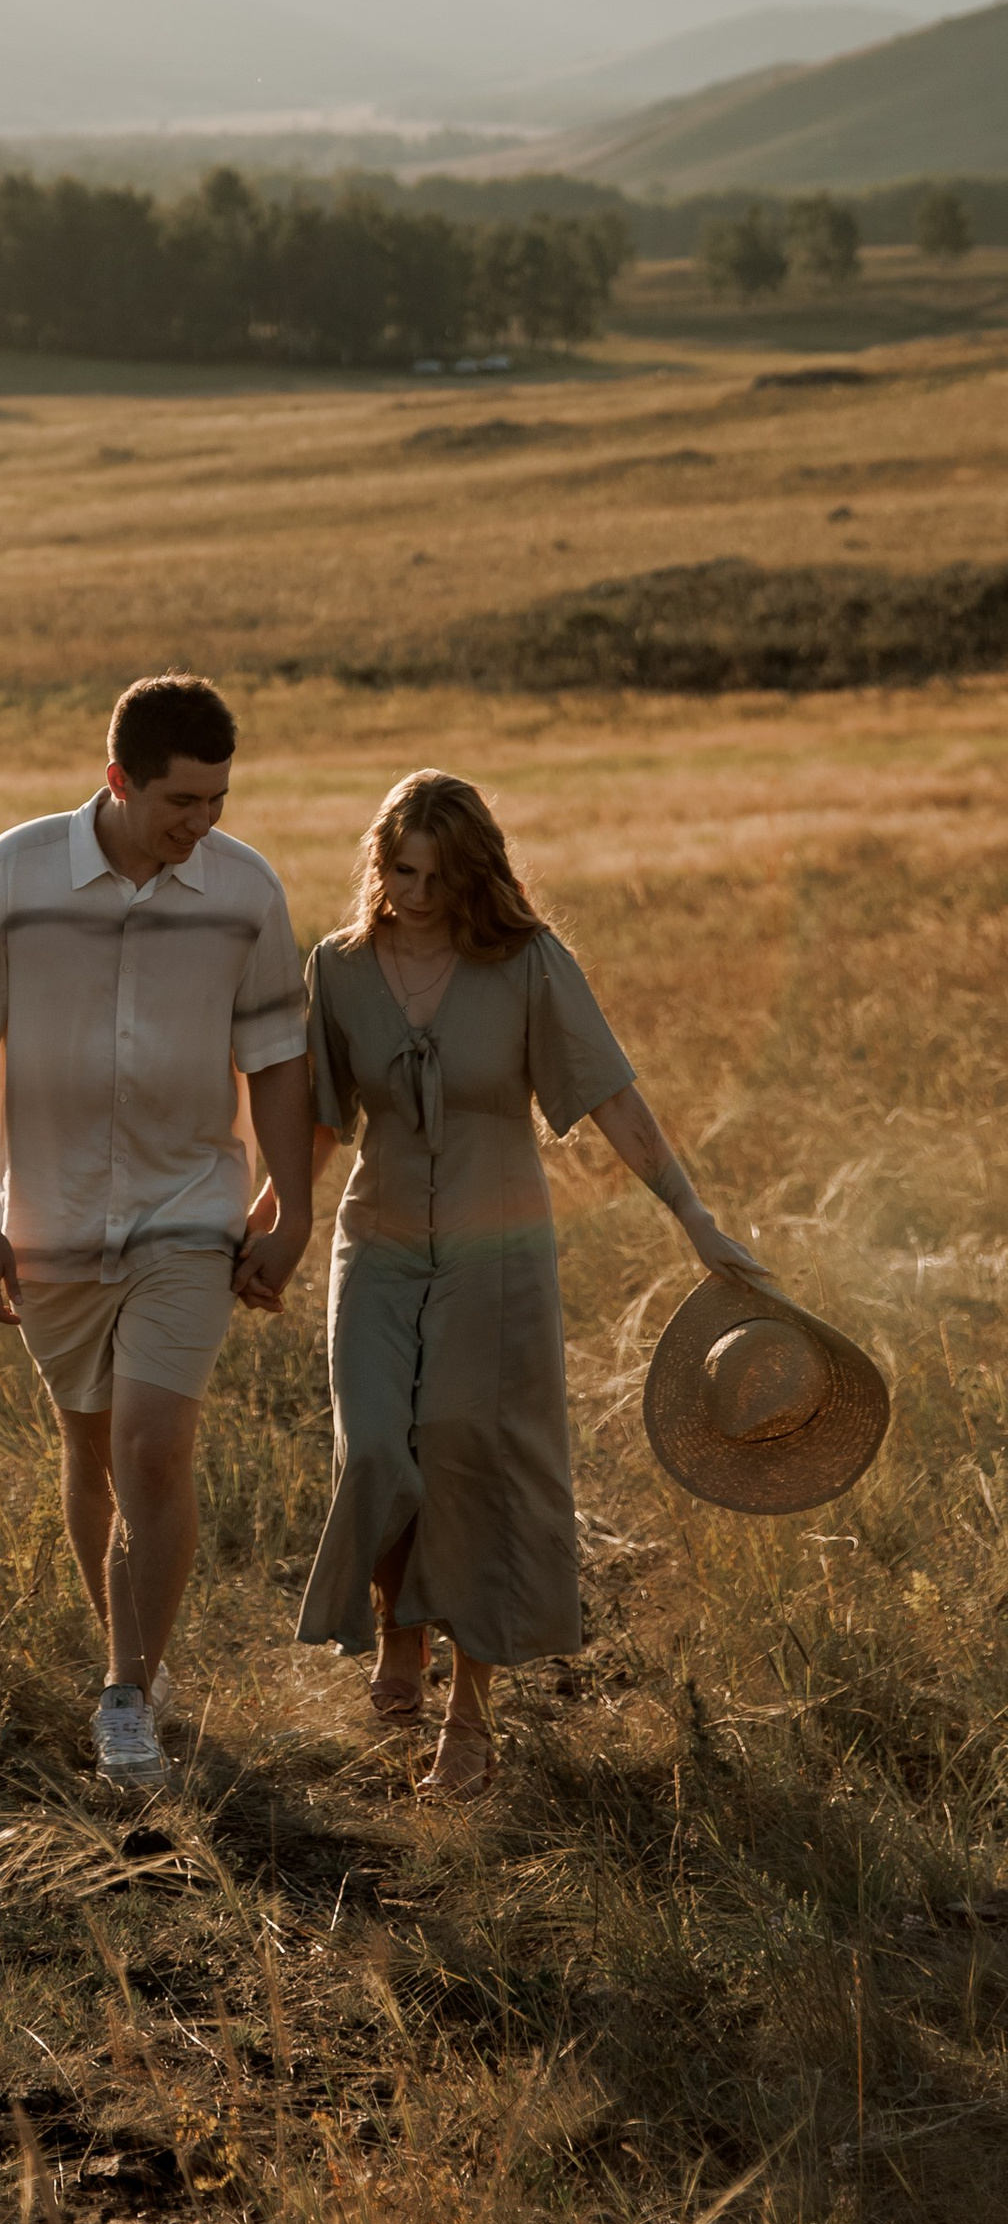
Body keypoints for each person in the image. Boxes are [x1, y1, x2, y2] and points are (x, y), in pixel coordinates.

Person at [274, 770, 761, 1799]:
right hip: (380, 1237)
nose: (413, 892)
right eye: (399, 868)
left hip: (499, 1252)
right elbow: (321, 1124)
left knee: (468, 1452)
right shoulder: (338, 968)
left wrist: (692, 1214)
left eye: (437, 876)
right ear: (378, 860)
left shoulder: (527, 963)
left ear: (474, 875)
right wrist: (273, 1226)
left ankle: (468, 1712)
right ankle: (398, 1615)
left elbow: (610, 1094)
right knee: (374, 1445)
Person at [0, 672, 317, 1797]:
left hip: (188, 1208)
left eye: (217, 803)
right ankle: (125, 1659)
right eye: (179, 803)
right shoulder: (12, 878)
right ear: (117, 781)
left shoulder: (244, 893)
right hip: (45, 1218)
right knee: (89, 1447)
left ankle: (128, 1691)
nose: (201, 825)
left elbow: (277, 1061)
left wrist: (289, 1208)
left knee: (153, 1445)